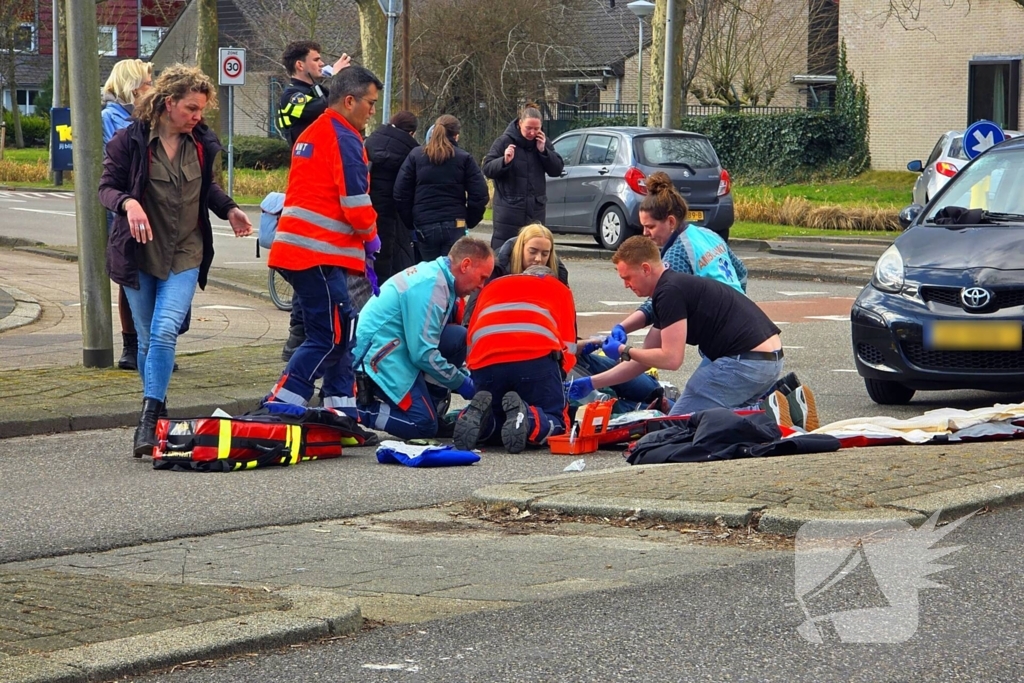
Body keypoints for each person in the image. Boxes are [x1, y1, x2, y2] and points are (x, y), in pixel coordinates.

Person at [99, 64, 253, 457]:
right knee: (150, 340)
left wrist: (230, 209)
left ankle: (148, 420)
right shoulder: (128, 140)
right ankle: (159, 406)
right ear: (169, 104)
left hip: (186, 249)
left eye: (201, 110)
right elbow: (107, 188)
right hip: (139, 252)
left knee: (166, 331)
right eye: (191, 109)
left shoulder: (201, 143)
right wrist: (128, 202)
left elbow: (208, 187)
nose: (198, 117)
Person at [262, 66, 383, 418]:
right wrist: (372, 239)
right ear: (350, 101)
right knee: (328, 335)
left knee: (340, 330)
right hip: (317, 252)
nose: (373, 111)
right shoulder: (344, 138)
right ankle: (284, 401)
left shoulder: (313, 133)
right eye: (370, 103)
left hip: (303, 250)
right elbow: (355, 203)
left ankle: (340, 407)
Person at [566, 236, 783, 417]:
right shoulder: (670, 288)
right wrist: (592, 382)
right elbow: (642, 363)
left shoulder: (669, 293)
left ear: (645, 269)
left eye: (628, 277)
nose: (626, 285)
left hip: (745, 362)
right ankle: (766, 413)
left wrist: (624, 350)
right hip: (767, 360)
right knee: (718, 421)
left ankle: (762, 416)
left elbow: (671, 359)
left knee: (678, 425)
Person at [354, 237, 494, 440]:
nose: (482, 286)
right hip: (377, 358)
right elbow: (423, 353)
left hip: (393, 348)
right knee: (423, 427)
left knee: (457, 338)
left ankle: (432, 410)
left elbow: (432, 341)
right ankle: (358, 411)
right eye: (482, 277)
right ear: (465, 265)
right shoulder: (432, 287)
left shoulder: (439, 278)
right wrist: (462, 382)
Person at [276, 41, 352, 362]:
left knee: (319, 264)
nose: (321, 64)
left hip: (325, 182)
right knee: (309, 262)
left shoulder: (317, 91)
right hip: (306, 187)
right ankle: (298, 335)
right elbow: (312, 109)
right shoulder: (290, 95)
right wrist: (336, 77)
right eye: (316, 60)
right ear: (299, 65)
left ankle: (306, 334)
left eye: (323, 60)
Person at [454, 265, 577, 453]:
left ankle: (483, 423)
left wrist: (477, 372)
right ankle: (528, 418)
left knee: (497, 416)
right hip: (534, 357)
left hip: (484, 360)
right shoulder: (558, 289)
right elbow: (569, 344)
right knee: (556, 419)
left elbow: (471, 335)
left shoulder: (492, 286)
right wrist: (559, 377)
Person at [101, 58, 153, 372]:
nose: (153, 88)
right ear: (133, 87)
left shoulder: (152, 117)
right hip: (124, 206)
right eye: (148, 83)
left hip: (154, 206)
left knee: (156, 270)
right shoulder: (111, 118)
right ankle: (131, 345)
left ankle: (154, 342)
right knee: (128, 274)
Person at [394, 115, 489, 261]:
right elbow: (480, 194)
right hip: (455, 222)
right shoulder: (464, 158)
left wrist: (412, 220)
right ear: (456, 136)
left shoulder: (416, 156)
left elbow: (401, 193)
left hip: (425, 223)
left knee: (428, 271)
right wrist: (469, 220)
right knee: (452, 271)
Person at [482, 103, 564, 250]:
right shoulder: (504, 141)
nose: (532, 133)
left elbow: (557, 169)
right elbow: (487, 168)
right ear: (520, 124)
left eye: (536, 129)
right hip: (509, 212)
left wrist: (544, 152)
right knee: (504, 257)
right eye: (528, 128)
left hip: (535, 211)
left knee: (533, 257)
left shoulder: (543, 142)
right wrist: (504, 161)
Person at [364, 110, 419, 281]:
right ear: (411, 133)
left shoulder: (370, 142)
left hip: (368, 209)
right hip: (394, 213)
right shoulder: (412, 152)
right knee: (393, 263)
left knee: (371, 260)